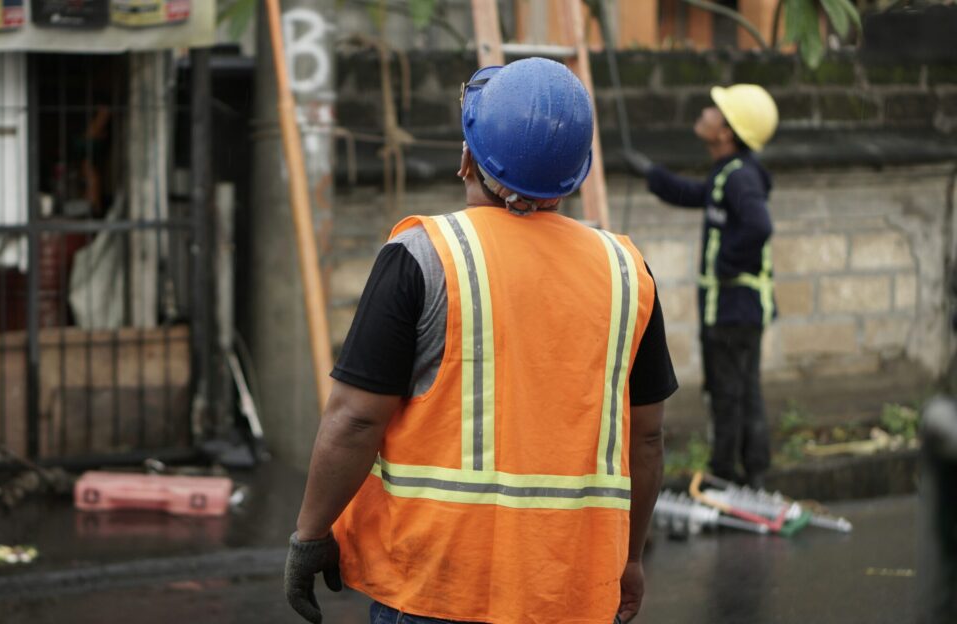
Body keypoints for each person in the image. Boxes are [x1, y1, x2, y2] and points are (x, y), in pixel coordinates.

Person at [283, 57, 679, 624]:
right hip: (567, 591)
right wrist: (630, 558)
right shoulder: (625, 270)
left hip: (435, 587)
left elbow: (354, 420)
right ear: (577, 173)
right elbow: (647, 438)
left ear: (467, 157)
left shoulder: (423, 255)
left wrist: (310, 533)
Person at [622, 84, 778, 489]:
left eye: (716, 110)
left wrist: (725, 264)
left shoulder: (740, 178)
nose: (706, 112)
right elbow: (693, 194)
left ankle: (727, 476)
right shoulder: (729, 173)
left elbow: (759, 226)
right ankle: (751, 474)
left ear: (726, 132)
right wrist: (650, 174)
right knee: (739, 392)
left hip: (734, 308)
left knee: (730, 394)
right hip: (735, 309)